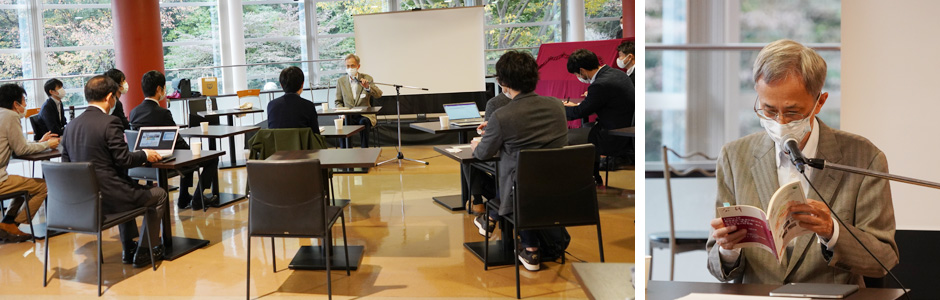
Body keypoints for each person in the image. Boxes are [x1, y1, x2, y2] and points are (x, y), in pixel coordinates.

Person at [706, 39, 898, 284]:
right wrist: (727, 249)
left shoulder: (863, 158)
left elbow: (884, 260)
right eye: (768, 110)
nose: (781, 121)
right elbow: (717, 266)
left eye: (793, 111)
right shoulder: (735, 156)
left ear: (820, 102)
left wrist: (832, 231)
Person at [471, 50, 569, 272]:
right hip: (560, 189)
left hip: (519, 194)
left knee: (510, 175)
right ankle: (527, 247)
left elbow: (483, 154)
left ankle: (493, 216)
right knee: (526, 175)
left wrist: (479, 143)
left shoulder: (502, 115)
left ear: (502, 82)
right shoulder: (556, 106)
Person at [62, 75, 167, 268]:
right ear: (110, 97)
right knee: (158, 194)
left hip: (85, 201)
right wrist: (144, 154)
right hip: (111, 197)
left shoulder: (71, 127)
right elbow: (124, 159)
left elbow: (66, 165)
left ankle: (129, 248)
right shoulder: (110, 122)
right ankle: (145, 250)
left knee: (125, 186)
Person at [129, 70, 220, 210]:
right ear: (159, 89)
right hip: (164, 161)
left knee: (187, 157)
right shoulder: (163, 113)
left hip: (143, 163)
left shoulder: (134, 112)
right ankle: (197, 199)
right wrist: (191, 153)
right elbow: (175, 138)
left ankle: (184, 197)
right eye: (164, 87)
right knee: (211, 158)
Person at [563, 49, 634, 185]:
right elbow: (590, 106)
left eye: (576, 74)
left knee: (569, 136)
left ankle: (583, 182)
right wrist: (577, 107)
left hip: (614, 135)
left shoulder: (600, 84)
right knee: (587, 128)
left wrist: (559, 108)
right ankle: (594, 177)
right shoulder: (616, 73)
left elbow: (580, 112)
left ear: (582, 71)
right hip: (626, 128)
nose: (578, 77)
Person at [0, 84, 59, 243]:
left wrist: (40, 142)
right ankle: (13, 225)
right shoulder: (11, 116)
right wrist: (47, 145)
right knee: (43, 186)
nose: (25, 105)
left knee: (23, 186)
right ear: (15, 103)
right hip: (0, 179)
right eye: (24, 100)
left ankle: (7, 221)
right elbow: (21, 150)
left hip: (2, 176)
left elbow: (15, 146)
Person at [464, 92, 511, 214]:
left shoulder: (495, 103)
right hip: (531, 169)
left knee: (469, 159)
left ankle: (478, 202)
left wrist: (478, 147)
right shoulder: (550, 105)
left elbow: (488, 137)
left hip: (505, 160)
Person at [335, 54, 382, 148]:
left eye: (352, 65)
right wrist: (342, 113)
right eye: (348, 66)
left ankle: (364, 151)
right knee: (342, 124)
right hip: (348, 115)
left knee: (364, 122)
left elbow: (379, 94)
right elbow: (338, 101)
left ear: (358, 66)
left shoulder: (367, 78)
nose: (350, 68)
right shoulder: (341, 81)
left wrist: (368, 87)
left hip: (364, 114)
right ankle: (345, 152)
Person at [267, 66, 320, 134]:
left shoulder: (272, 105)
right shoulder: (308, 106)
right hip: (302, 144)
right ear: (302, 84)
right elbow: (316, 135)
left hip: (278, 144)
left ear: (281, 85)